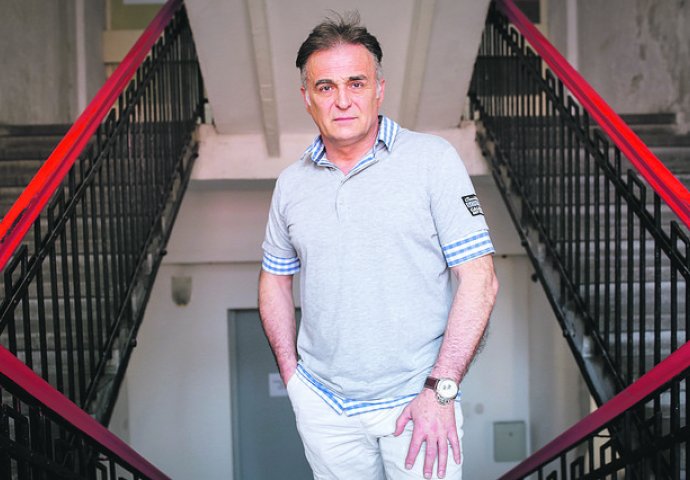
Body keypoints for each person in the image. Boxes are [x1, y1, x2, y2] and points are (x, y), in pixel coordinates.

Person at [258, 12, 498, 480]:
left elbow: (480, 280)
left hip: (419, 404)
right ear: (306, 98)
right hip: (326, 409)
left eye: (357, 83)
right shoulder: (291, 184)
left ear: (379, 90)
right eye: (325, 87)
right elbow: (274, 280)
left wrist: (441, 390)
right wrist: (294, 380)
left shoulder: (432, 161)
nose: (343, 100)